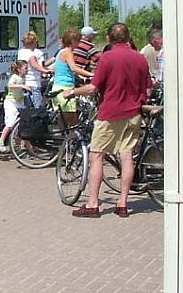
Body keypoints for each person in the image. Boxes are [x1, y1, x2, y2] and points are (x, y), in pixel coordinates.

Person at [63, 23, 152, 218]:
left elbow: (93, 88)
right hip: (133, 114)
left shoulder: (107, 58)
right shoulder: (140, 58)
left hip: (110, 114)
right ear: (128, 37)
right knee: (126, 156)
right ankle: (122, 203)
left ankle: (93, 204)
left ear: (109, 38)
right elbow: (148, 90)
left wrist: (72, 91)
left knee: (97, 156)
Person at [51, 29, 94, 126]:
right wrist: (91, 74)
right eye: (78, 41)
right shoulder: (68, 52)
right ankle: (76, 140)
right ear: (73, 41)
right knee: (73, 122)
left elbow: (66, 69)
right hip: (65, 88)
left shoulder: (61, 51)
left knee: (62, 121)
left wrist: (81, 76)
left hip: (57, 87)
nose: (79, 44)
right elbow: (74, 68)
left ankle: (61, 140)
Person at [0, 60, 31, 154]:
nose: (27, 70)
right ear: (19, 69)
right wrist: (22, 86)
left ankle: (18, 146)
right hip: (11, 103)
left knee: (22, 124)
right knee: (10, 124)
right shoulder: (15, 77)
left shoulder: (23, 77)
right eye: (25, 68)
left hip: (19, 103)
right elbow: (10, 85)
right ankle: (0, 143)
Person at [17, 31, 51, 107]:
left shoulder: (21, 52)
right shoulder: (31, 55)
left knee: (27, 108)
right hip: (33, 83)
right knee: (36, 109)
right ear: (33, 42)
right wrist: (46, 70)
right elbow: (35, 65)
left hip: (24, 82)